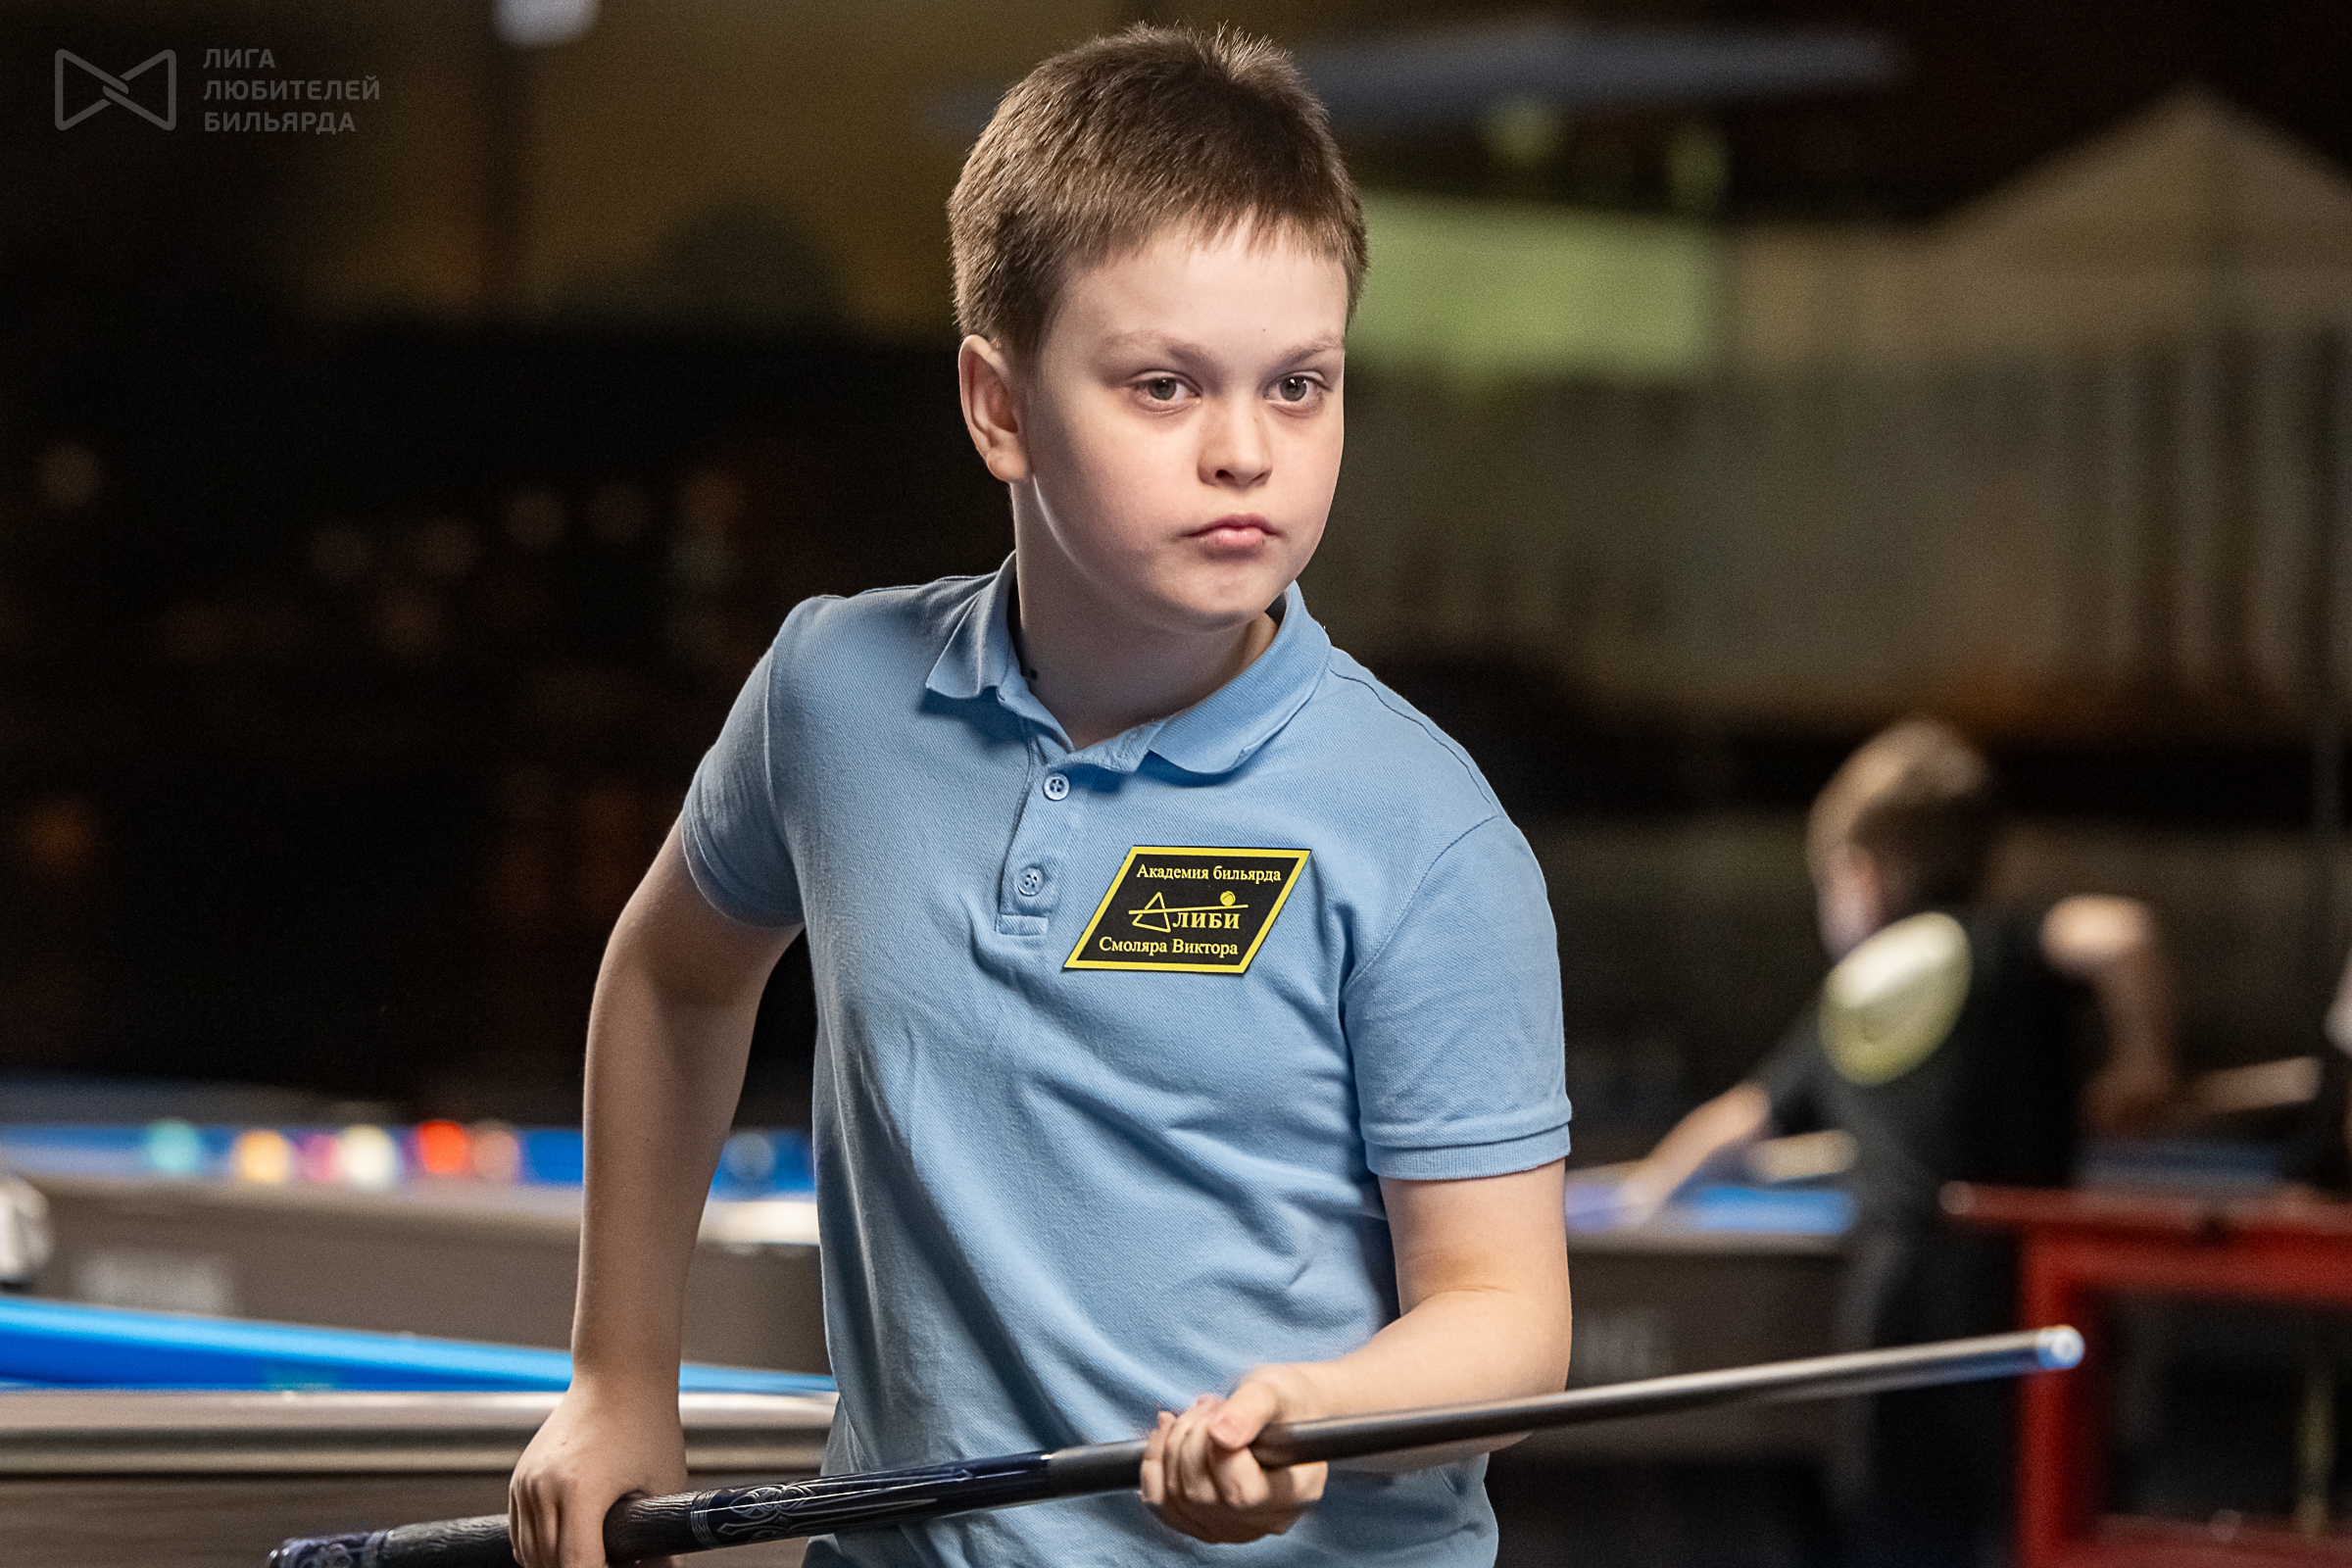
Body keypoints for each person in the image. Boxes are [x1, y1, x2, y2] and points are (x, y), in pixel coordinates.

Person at [508, 26, 1574, 1568]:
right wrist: (618, 1380)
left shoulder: (1425, 827)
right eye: (1163, 386)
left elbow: (1504, 1315)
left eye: (1299, 386)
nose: (1244, 453)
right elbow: (676, 976)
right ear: (998, 407)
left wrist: (1324, 1410)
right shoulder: (832, 695)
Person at [1616, 717, 2177, 1568]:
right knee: (2038, 1523)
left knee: (1905, 1538)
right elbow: (2123, 933)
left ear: (1859, 875)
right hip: (2022, 1286)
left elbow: (1735, 1123)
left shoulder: (1858, 992)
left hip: (1897, 1298)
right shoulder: (2000, 940)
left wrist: (1644, 1195)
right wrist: (2145, 1064)